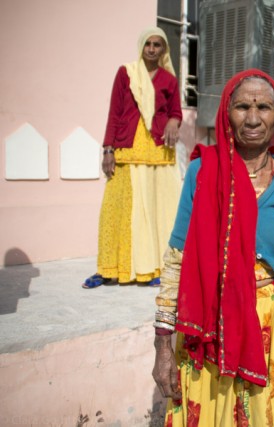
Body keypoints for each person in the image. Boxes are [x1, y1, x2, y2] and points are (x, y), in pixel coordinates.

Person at [151, 70, 274, 426]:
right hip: (212, 329)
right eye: (242, 106)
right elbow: (176, 261)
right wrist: (162, 346)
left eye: (263, 107)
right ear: (227, 113)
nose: (253, 118)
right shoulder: (202, 171)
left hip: (272, 331)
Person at [83, 27, 182, 288]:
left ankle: (153, 268)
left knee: (155, 210)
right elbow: (114, 112)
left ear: (163, 49)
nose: (152, 48)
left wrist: (174, 121)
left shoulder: (169, 80)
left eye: (157, 44)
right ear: (141, 46)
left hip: (157, 150)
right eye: (148, 43)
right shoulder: (126, 72)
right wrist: (107, 149)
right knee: (116, 209)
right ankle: (108, 269)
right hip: (126, 147)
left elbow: (175, 111)